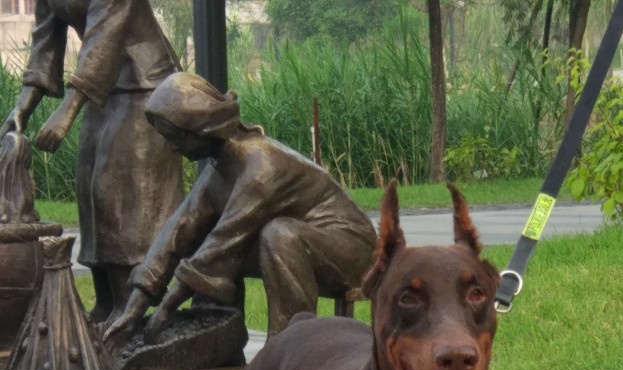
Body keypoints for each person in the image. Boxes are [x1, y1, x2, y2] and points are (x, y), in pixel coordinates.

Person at [104, 73, 377, 349]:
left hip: (355, 251)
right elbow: (176, 232)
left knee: (277, 235)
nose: (173, 148)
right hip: (303, 244)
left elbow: (223, 241)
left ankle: (288, 349)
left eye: (176, 137)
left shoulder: (262, 166)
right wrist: (132, 310)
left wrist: (166, 307)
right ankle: (218, 342)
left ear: (201, 128)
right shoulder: (218, 170)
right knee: (200, 235)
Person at [0, 0, 184, 321]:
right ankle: (106, 303)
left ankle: (132, 306)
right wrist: (21, 110)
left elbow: (105, 32)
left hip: (146, 84)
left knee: (117, 190)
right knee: (89, 187)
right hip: (101, 88)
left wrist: (67, 112)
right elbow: (45, 46)